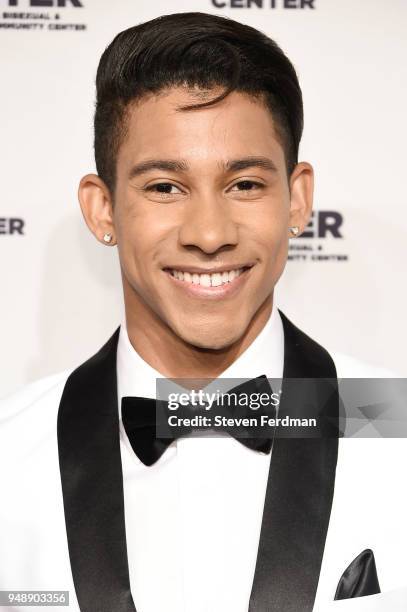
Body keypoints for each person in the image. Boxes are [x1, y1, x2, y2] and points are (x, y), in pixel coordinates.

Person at [1, 11, 406, 612]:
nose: (211, 234)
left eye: (244, 184)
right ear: (103, 209)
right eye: (165, 187)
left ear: (297, 200)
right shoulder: (9, 448)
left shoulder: (391, 423)